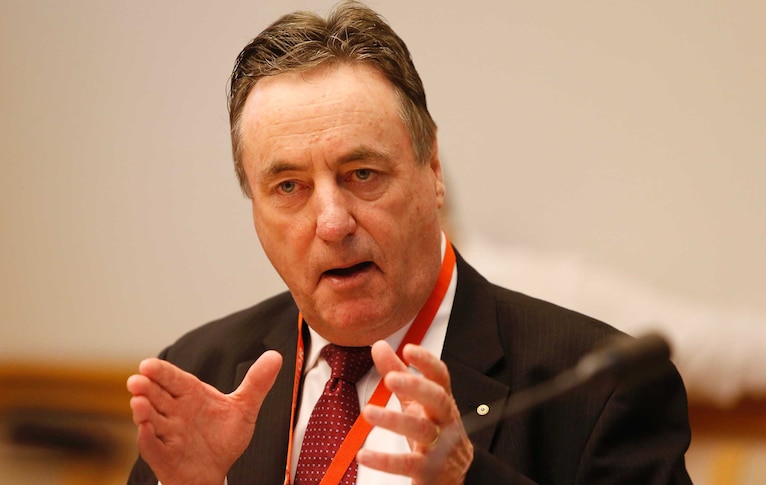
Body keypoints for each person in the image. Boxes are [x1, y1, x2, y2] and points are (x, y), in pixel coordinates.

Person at [126, 2, 692, 484]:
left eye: (362, 174)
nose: (332, 222)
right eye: (289, 187)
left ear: (433, 168)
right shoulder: (200, 371)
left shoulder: (596, 392)